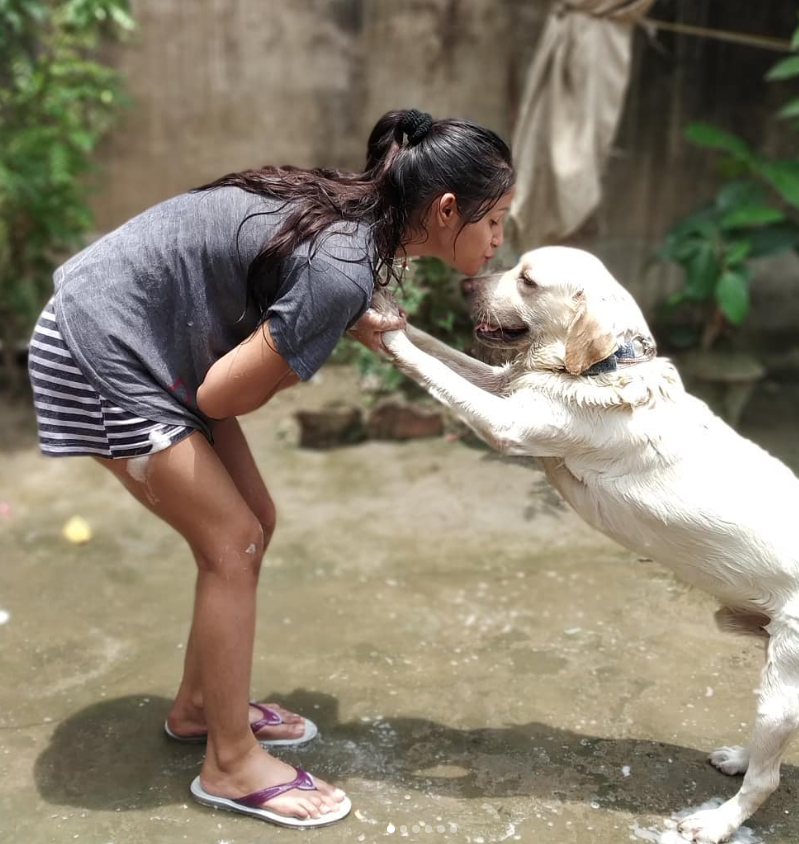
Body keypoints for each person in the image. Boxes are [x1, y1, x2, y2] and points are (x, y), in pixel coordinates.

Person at [27, 108, 515, 828]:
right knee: (234, 542)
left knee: (254, 525)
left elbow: (273, 298)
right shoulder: (343, 267)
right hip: (99, 350)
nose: (500, 237)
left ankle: (200, 709)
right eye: (496, 220)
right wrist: (317, 335)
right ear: (446, 210)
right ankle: (228, 763)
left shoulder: (349, 217)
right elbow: (224, 391)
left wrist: (328, 322)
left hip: (149, 336)